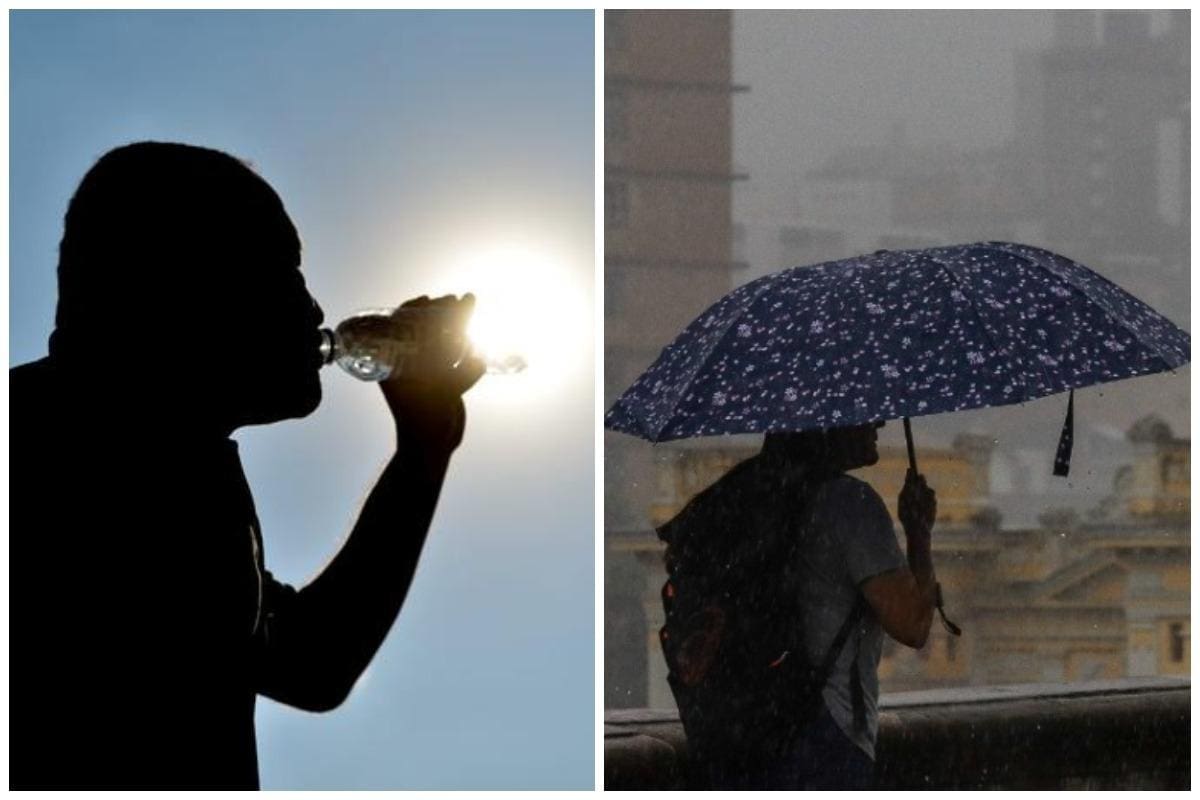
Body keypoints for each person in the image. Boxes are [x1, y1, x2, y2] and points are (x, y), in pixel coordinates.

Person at [9, 142, 485, 789]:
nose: (316, 311)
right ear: (184, 288)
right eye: (285, 273)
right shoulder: (61, 460)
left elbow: (314, 661)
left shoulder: (172, 461)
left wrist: (425, 450)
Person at [658, 422, 939, 790]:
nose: (880, 422)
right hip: (826, 733)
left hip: (747, 730)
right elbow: (913, 625)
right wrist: (919, 534)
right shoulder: (850, 504)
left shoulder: (751, 492)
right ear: (829, 427)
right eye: (863, 412)